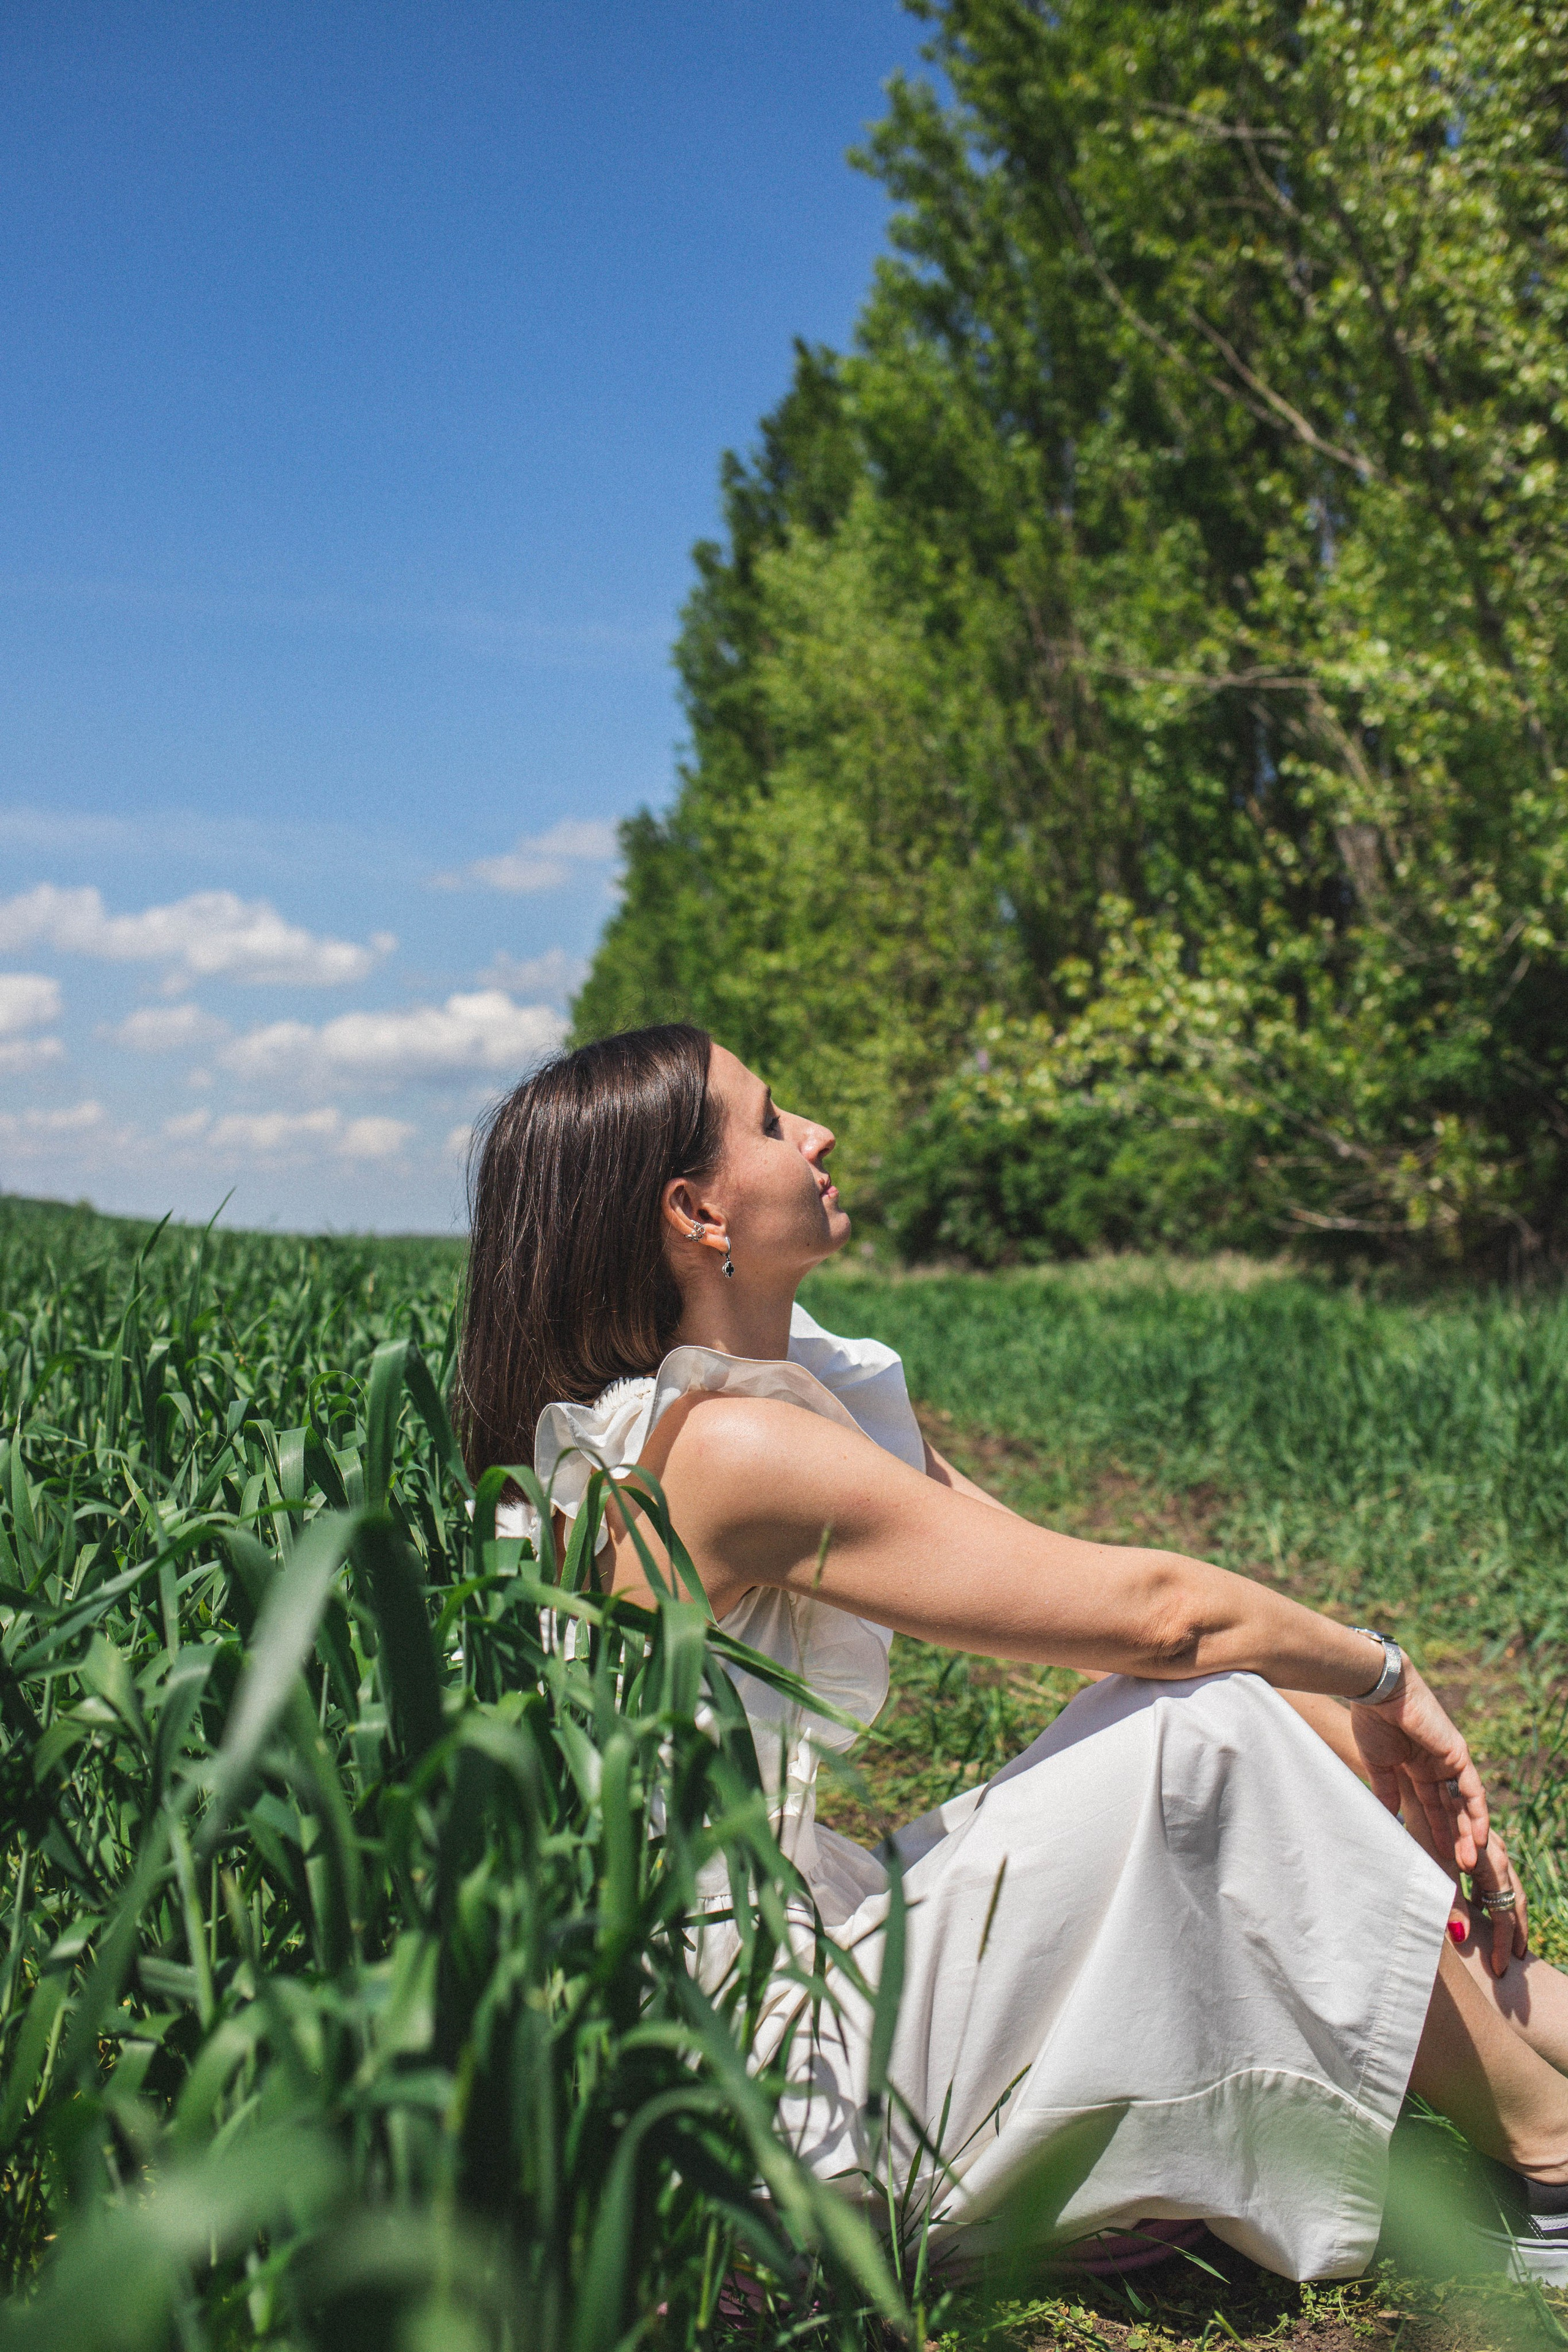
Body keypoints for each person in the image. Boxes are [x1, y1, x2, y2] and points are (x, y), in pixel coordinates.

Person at [454, 1020, 1568, 2285]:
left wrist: (1356, 1747)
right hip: (756, 2090)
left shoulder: (719, 1409)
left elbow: (1086, 1594)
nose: (817, 1135)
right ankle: (1549, 2173)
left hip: (793, 1961)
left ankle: (1522, 2019)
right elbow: (1162, 1617)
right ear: (696, 1214)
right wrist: (1381, 1678)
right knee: (1204, 1743)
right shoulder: (722, 1456)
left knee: (1229, 1719)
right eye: (770, 1122)